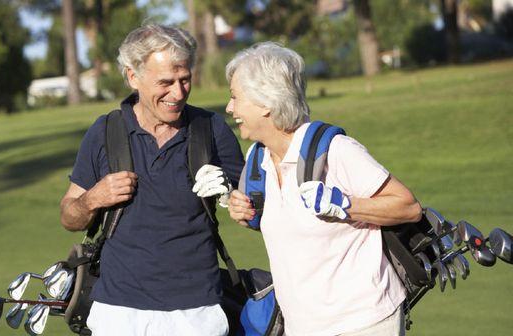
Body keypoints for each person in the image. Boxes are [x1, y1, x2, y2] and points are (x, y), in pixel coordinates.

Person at [224, 42, 422, 336]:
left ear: (265, 102)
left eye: (235, 97)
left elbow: (408, 207)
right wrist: (243, 211)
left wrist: (343, 205)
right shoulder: (258, 158)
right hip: (301, 326)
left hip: (362, 321)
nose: (229, 108)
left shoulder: (336, 150)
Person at [59, 24, 244, 336]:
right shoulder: (105, 132)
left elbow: (256, 208)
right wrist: (94, 198)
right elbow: (68, 217)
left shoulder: (210, 128)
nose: (179, 92)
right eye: (166, 82)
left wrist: (231, 193)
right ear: (133, 77)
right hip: (118, 312)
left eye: (185, 80)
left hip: (197, 312)